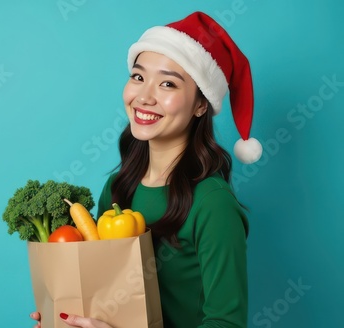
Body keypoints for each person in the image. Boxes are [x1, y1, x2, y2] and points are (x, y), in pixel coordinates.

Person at [30, 11, 262, 328]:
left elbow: (227, 323)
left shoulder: (213, 203)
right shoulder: (117, 188)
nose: (144, 96)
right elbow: (105, 295)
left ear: (200, 104)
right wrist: (67, 314)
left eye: (167, 83)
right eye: (138, 77)